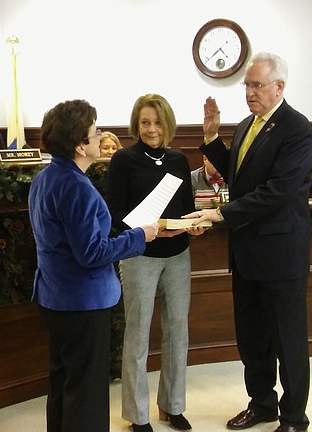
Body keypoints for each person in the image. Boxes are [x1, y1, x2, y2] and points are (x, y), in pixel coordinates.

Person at [186, 52, 312, 432]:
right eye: (247, 85)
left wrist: (221, 215)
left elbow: (277, 191)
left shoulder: (297, 129)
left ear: (280, 87)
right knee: (252, 337)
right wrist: (212, 136)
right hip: (246, 255)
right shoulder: (245, 126)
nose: (249, 92)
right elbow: (237, 176)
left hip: (280, 255)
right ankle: (262, 404)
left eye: (257, 85)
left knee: (287, 339)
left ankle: (294, 417)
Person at [28, 99, 159, 432]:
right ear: (79, 145)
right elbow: (92, 253)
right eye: (95, 131)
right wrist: (141, 236)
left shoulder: (46, 178)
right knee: (86, 393)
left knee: (63, 383)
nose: (101, 136)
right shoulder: (77, 187)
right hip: (82, 302)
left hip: (53, 298)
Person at [107, 93, 205, 432]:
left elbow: (186, 207)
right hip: (139, 256)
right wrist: (145, 231)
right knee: (138, 333)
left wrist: (195, 224)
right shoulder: (123, 160)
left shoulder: (178, 160)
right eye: (145, 122)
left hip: (178, 254)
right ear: (137, 124)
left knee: (178, 329)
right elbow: (115, 213)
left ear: (168, 124)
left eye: (158, 122)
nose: (152, 129)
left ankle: (173, 406)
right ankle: (138, 415)